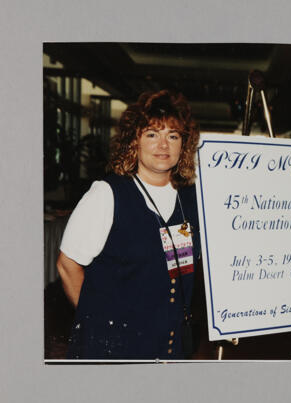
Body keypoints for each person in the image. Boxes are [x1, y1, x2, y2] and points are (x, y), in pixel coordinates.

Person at [57, 89, 201, 359]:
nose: (163, 145)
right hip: (114, 352)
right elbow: (67, 265)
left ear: (184, 144)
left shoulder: (190, 199)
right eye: (152, 134)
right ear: (134, 141)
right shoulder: (107, 194)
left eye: (173, 135)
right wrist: (98, 326)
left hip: (171, 348)